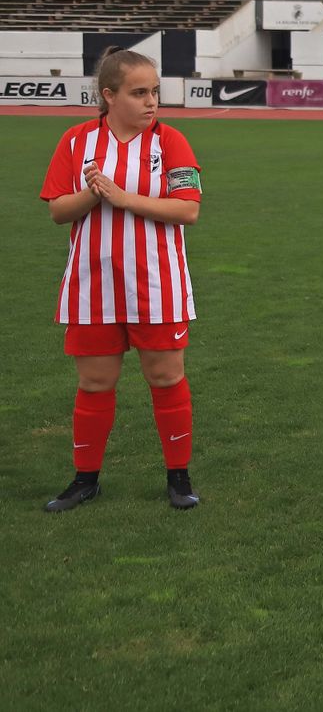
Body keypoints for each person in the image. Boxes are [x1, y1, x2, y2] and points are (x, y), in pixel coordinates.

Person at [38, 47, 204, 512]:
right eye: (139, 93)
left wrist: (124, 197)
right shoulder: (76, 141)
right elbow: (58, 210)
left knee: (166, 377)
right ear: (109, 95)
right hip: (92, 286)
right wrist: (94, 194)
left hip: (158, 284)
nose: (151, 102)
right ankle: (85, 480)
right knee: (94, 383)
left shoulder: (170, 141)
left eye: (155, 92)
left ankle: (178, 478)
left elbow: (188, 210)